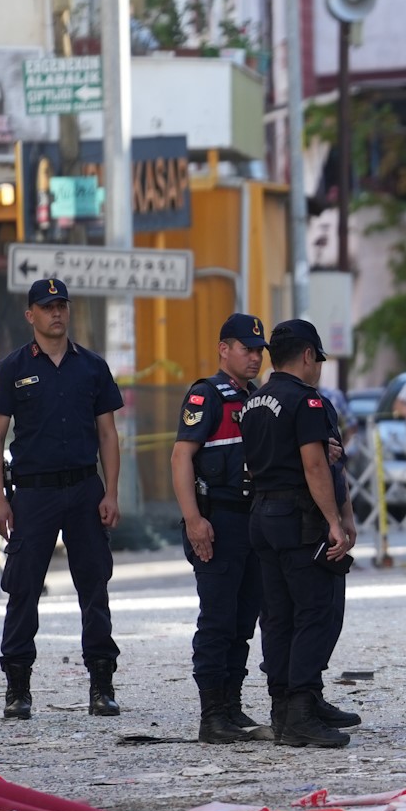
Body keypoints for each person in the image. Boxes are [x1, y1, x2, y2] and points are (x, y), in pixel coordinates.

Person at [0, 277, 125, 721]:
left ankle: (102, 685)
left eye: (61, 305)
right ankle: (17, 689)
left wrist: (112, 492)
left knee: (94, 587)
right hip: (33, 492)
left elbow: (107, 433)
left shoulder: (93, 367)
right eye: (46, 307)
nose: (56, 313)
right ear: (31, 315)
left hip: (84, 489)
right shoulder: (11, 368)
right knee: (23, 589)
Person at [240, 319, 356, 748]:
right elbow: (314, 466)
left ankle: (283, 712)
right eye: (318, 359)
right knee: (314, 612)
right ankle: (303, 710)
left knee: (277, 616)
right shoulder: (306, 403)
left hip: (262, 515)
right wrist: (334, 521)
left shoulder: (254, 403)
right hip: (298, 516)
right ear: (308, 355)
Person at [173, 314, 274, 745]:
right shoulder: (206, 396)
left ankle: (230, 706)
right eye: (246, 349)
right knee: (217, 620)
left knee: (242, 620)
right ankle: (212, 713)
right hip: (218, 520)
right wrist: (195, 520)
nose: (254, 357)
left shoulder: (256, 399)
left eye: (258, 351)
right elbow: (181, 459)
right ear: (223, 349)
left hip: (251, 521)